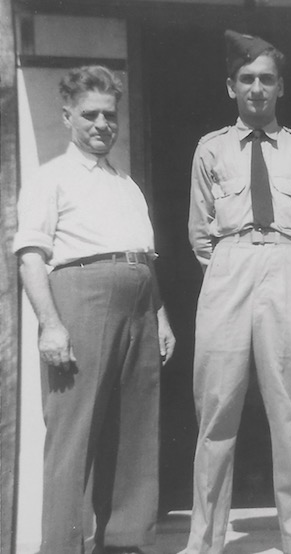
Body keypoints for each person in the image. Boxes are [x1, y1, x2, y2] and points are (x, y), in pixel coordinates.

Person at [13, 65, 175, 554]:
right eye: (90, 115)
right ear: (67, 117)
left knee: (135, 432)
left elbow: (142, 255)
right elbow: (31, 255)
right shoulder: (51, 178)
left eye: (109, 114)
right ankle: (61, 547)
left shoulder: (125, 182)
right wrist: (50, 325)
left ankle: (125, 543)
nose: (102, 124)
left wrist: (161, 317)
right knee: (73, 435)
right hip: (81, 300)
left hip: (140, 306)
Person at [186, 30, 291, 554]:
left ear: (281, 87)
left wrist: (288, 271)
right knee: (217, 405)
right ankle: (204, 539)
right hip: (228, 266)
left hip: (287, 268)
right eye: (247, 79)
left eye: (267, 79)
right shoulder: (210, 150)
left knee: (290, 407)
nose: (257, 88)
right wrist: (231, 263)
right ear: (231, 87)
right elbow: (200, 231)